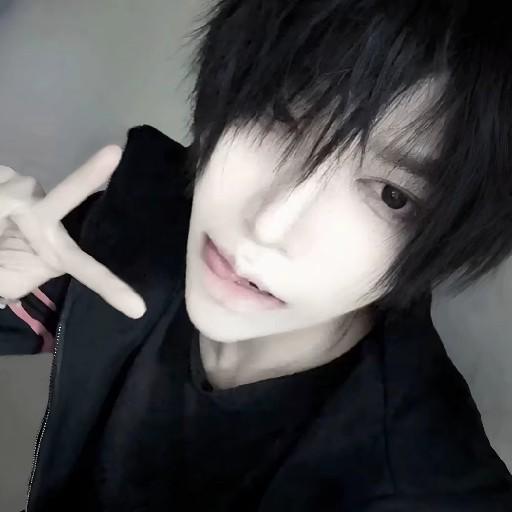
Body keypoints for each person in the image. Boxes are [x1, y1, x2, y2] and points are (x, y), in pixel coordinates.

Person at [1, 0, 512, 510]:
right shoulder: (144, 217)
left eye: (391, 195)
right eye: (278, 118)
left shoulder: (424, 487)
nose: (268, 227)